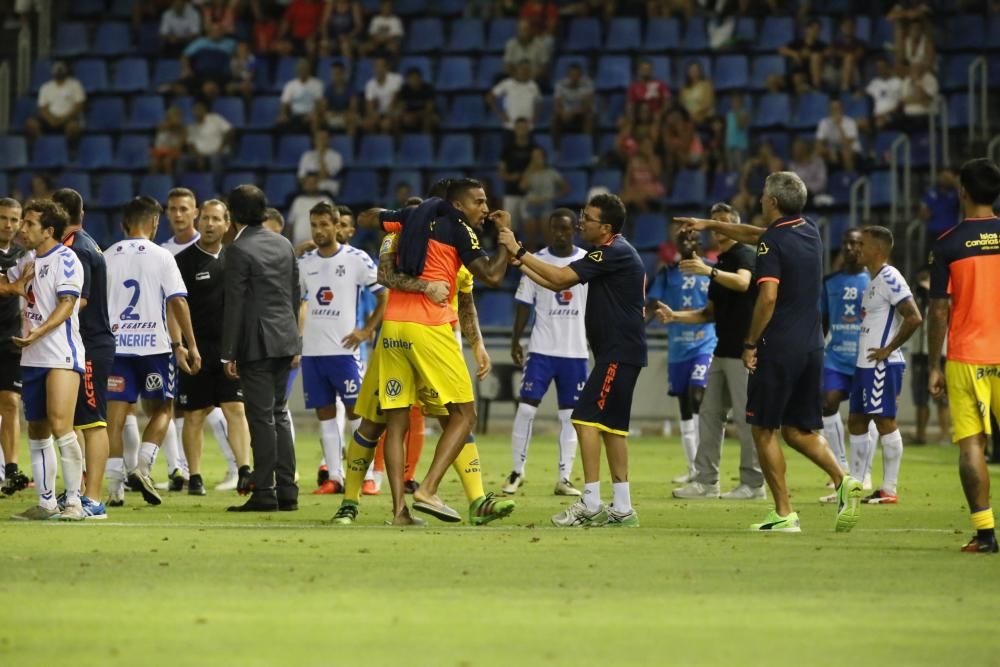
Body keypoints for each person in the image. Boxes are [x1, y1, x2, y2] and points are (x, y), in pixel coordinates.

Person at [678, 171, 864, 533]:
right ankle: (844, 478)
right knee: (798, 430)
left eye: (763, 195)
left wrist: (750, 343)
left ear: (774, 202)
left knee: (763, 428)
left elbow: (768, 297)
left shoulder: (771, 245)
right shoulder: (808, 230)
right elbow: (755, 233)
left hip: (777, 347)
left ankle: (784, 512)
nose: (760, 200)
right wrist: (709, 223)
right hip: (812, 346)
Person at [333, 190, 514, 526]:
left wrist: (478, 344)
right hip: (413, 334)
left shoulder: (449, 246)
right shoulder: (398, 237)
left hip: (432, 337)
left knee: (447, 420)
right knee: (383, 423)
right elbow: (385, 275)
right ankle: (356, 502)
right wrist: (424, 285)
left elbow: (465, 300)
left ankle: (475, 500)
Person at [499, 194, 646, 528]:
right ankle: (622, 507)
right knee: (613, 430)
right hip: (621, 352)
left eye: (588, 218)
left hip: (617, 353)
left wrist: (519, 250)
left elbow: (562, 278)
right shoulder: (616, 251)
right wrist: (522, 263)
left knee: (583, 419)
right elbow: (553, 281)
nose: (582, 222)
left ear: (605, 228)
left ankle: (591, 502)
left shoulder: (610, 253)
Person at [661, 203, 764, 501]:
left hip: (745, 351)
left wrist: (708, 270)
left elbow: (744, 283)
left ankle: (753, 484)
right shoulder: (722, 261)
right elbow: (709, 313)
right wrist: (676, 316)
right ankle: (706, 481)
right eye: (714, 221)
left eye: (723, 222)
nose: (717, 226)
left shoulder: (744, 254)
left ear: (735, 226)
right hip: (722, 350)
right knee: (709, 414)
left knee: (746, 420)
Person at [104, 196, 201, 508]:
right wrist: (189, 344)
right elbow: (178, 301)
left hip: (117, 349)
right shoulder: (162, 256)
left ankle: (115, 489)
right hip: (155, 350)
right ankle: (144, 467)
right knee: (162, 409)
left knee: (115, 418)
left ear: (124, 224)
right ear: (155, 223)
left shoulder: (106, 256)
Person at [926, 158, 1000, 553]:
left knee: (972, 445)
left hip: (967, 356)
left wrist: (934, 363)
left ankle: (986, 534)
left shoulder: (948, 244)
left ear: (964, 193)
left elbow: (939, 310)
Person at [221, 185, 301, 513]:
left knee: (261, 416)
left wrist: (229, 352)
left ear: (233, 215)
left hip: (256, 342)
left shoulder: (239, 250)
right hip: (285, 338)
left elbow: (235, 304)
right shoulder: (284, 244)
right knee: (279, 413)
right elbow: (295, 294)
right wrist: (293, 336)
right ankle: (287, 489)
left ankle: (265, 490)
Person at [298, 202, 387, 494]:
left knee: (356, 414)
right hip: (313, 352)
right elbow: (296, 301)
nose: (319, 230)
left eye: (325, 224)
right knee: (325, 415)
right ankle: (335, 477)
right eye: (315, 225)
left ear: (338, 226)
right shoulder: (305, 263)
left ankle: (368, 475)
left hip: (345, 352)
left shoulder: (357, 259)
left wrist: (366, 330)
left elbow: (384, 297)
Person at [7, 200, 87, 521]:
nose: (21, 228)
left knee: (60, 426)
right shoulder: (26, 260)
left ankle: (75, 503)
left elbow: (68, 303)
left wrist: (38, 331)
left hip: (60, 353)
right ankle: (46, 502)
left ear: (48, 231)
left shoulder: (66, 259)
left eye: (28, 224)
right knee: (37, 430)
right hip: (32, 354)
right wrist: (12, 286)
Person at [503, 209, 588, 497]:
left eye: (565, 229)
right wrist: (516, 341)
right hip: (541, 349)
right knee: (526, 409)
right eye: (555, 229)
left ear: (575, 228)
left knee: (569, 417)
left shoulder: (586, 261)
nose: (560, 234)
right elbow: (524, 305)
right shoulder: (535, 260)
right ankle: (517, 471)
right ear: (549, 230)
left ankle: (564, 477)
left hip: (575, 352)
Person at [173, 199, 252, 497]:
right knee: (194, 413)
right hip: (198, 347)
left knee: (235, 408)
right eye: (205, 218)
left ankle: (244, 469)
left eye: (215, 219)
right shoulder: (183, 261)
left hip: (230, 348)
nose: (209, 224)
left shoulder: (237, 258)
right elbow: (174, 306)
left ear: (227, 223)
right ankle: (194, 476)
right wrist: (180, 345)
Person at [846, 226, 921, 505]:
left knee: (884, 420)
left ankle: (889, 489)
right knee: (856, 420)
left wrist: (889, 349)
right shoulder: (873, 280)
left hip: (882, 365)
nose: (857, 248)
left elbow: (914, 317)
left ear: (876, 249)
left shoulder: (890, 277)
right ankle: (853, 484)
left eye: (862, 244)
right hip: (865, 363)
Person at [53, 188, 114, 519]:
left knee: (93, 422)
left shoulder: (77, 249)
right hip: (84, 342)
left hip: (91, 342)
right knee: (77, 421)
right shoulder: (81, 243)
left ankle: (93, 498)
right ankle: (77, 491)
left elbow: (81, 299)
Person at [648, 228, 717, 483]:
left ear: (701, 242)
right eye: (682, 238)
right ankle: (693, 469)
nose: (688, 241)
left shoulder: (712, 269)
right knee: (685, 407)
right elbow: (652, 305)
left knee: (697, 391)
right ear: (675, 243)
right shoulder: (667, 272)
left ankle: (705, 465)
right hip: (678, 348)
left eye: (693, 238)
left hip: (705, 344)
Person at [818, 228, 870, 494]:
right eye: (846, 243)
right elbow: (823, 322)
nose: (850, 248)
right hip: (836, 356)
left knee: (865, 415)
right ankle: (840, 466)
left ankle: (866, 471)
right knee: (827, 403)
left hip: (865, 359)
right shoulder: (829, 282)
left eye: (856, 243)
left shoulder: (876, 280)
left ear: (865, 247)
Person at [0, 199, 28, 496]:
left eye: (13, 219)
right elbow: (5, 288)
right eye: (2, 218)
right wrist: (19, 283)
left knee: (10, 401)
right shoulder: (26, 261)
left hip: (11, 340)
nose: (8, 224)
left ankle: (11, 469)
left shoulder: (23, 254)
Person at [909, 267, 950, 445]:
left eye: (925, 279)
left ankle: (945, 435)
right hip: (919, 352)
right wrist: (921, 296)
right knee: (920, 398)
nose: (922, 283)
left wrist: (931, 293)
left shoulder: (944, 296)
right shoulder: (916, 297)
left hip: (940, 353)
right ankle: (920, 435)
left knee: (942, 398)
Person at [518, 148, 569, 249]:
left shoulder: (551, 172)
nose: (537, 159)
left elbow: (565, 188)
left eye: (539, 156)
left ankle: (550, 257)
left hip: (546, 203)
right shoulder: (529, 172)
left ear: (544, 158)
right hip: (530, 203)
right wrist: (529, 170)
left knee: (546, 227)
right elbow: (522, 187)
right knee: (530, 231)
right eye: (534, 157)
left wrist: (553, 196)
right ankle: (531, 258)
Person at [25, 61, 86, 144]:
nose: (59, 71)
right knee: (31, 124)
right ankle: (43, 146)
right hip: (50, 120)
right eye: (57, 69)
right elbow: (42, 108)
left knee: (73, 127)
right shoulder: (46, 87)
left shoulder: (75, 85)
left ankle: (67, 150)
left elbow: (79, 106)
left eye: (61, 69)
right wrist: (51, 120)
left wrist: (63, 118)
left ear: (66, 70)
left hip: (68, 119)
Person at [498, 118, 539, 231]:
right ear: (515, 129)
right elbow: (501, 172)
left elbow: (539, 168)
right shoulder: (507, 149)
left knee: (530, 229)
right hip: (511, 192)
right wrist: (511, 177)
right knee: (508, 228)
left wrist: (526, 177)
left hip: (530, 193)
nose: (522, 130)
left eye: (524, 128)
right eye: (519, 127)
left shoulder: (535, 149)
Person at [487, 61, 542, 132]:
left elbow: (539, 102)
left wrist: (535, 117)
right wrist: (500, 114)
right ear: (516, 71)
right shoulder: (507, 83)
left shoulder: (533, 85)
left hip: (527, 127)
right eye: (522, 70)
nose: (524, 72)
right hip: (510, 126)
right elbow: (489, 97)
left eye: (526, 70)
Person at [552, 63, 594, 148]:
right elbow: (556, 106)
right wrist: (562, 112)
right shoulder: (560, 85)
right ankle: (556, 149)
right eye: (572, 74)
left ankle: (586, 147)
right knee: (554, 119)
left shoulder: (588, 84)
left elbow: (588, 106)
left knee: (590, 118)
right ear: (568, 75)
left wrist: (572, 112)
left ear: (581, 75)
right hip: (565, 114)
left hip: (581, 114)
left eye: (577, 75)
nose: (574, 77)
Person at [186, 100, 233, 175]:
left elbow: (230, 131)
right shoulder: (191, 127)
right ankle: (180, 185)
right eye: (195, 110)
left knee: (215, 159)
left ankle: (216, 185)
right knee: (182, 160)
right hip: (201, 155)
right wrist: (198, 157)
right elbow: (191, 145)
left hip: (218, 153)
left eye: (199, 109)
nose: (197, 112)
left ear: (204, 110)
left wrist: (221, 147)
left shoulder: (215, 119)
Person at [278, 59, 324, 132]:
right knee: (280, 122)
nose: (302, 71)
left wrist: (313, 114)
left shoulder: (317, 84)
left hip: (310, 115)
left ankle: (314, 142)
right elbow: (285, 103)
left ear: (308, 70)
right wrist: (284, 115)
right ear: (296, 71)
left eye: (304, 69)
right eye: (300, 69)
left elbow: (319, 103)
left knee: (315, 120)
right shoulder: (290, 85)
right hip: (294, 115)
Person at [816, 100, 862, 173]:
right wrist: (828, 151)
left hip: (852, 150)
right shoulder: (824, 122)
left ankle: (850, 178)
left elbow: (847, 145)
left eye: (837, 108)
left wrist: (838, 126)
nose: (835, 111)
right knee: (816, 153)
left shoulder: (850, 122)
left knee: (845, 153)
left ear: (842, 109)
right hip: (833, 151)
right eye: (832, 109)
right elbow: (819, 144)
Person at [287, 174, 333, 246]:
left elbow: (333, 223)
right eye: (308, 183)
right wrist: (288, 243)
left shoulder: (326, 200)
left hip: (320, 244)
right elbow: (290, 223)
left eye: (313, 182)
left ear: (318, 184)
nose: (310, 185)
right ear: (304, 185)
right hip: (299, 244)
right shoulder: (298, 201)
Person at [362, 57, 403, 134]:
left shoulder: (396, 79)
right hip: (379, 113)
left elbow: (394, 101)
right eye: (376, 66)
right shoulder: (370, 84)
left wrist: (387, 117)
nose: (379, 69)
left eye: (381, 66)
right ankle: (375, 143)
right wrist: (374, 116)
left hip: (394, 111)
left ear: (387, 67)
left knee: (386, 124)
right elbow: (369, 106)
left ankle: (391, 143)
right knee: (368, 123)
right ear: (373, 68)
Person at [297, 128, 343, 197]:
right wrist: (309, 185)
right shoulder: (307, 155)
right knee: (291, 197)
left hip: (327, 189)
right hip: (308, 190)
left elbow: (324, 175)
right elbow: (301, 177)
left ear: (329, 140)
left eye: (324, 138)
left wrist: (320, 156)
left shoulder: (336, 156)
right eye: (319, 138)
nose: (321, 140)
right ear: (314, 140)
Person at [626, 59, 671, 124]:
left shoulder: (660, 84)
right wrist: (632, 117)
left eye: (648, 69)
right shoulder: (633, 87)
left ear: (652, 70)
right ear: (639, 70)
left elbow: (667, 101)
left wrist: (661, 113)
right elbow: (630, 104)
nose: (646, 71)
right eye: (643, 69)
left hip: (657, 117)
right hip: (639, 117)